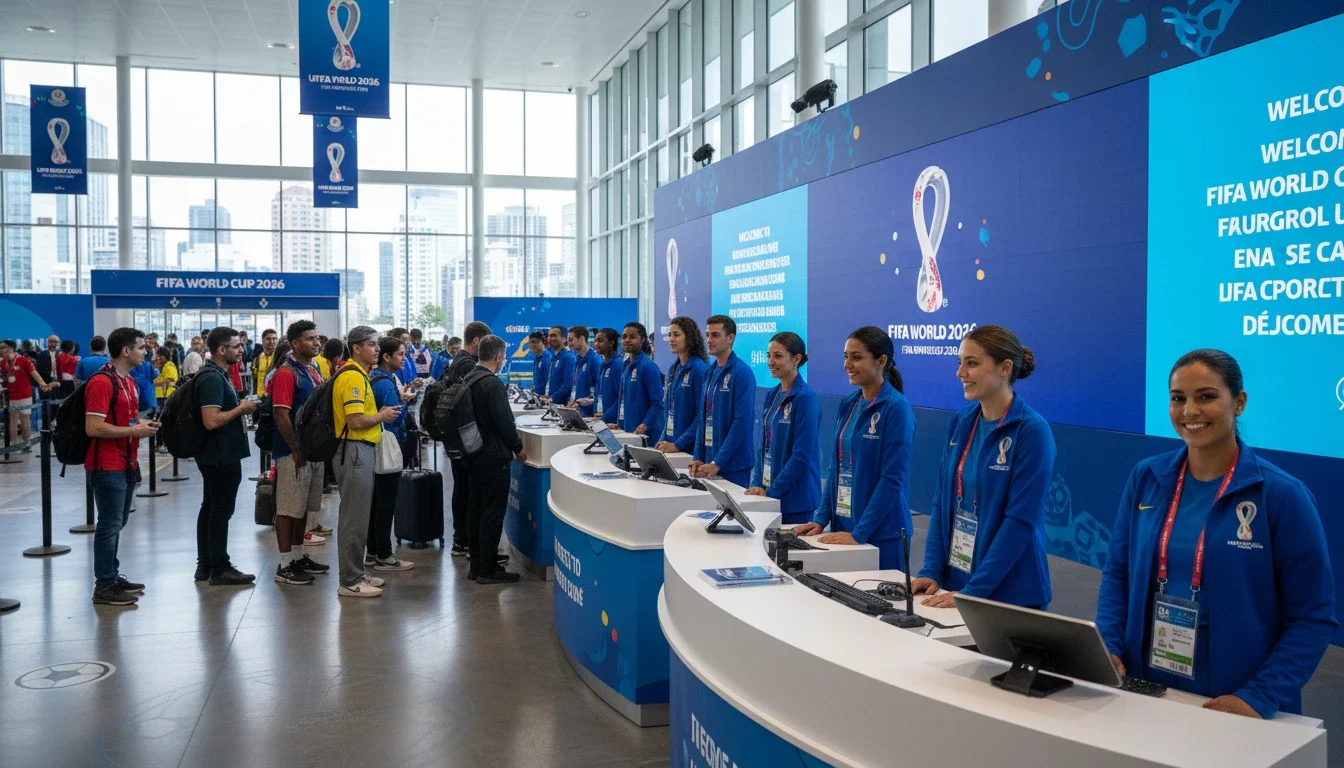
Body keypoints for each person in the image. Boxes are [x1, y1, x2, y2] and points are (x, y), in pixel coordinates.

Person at [1096, 349, 1336, 718]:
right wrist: (1109, 647)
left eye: (1206, 397)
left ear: (1238, 402)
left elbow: (1313, 616)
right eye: (1178, 399)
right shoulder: (1147, 478)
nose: (1190, 411)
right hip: (1147, 688)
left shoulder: (1281, 494)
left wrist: (1260, 695)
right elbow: (1118, 575)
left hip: (1236, 700)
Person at [912, 325, 1055, 610]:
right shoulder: (962, 421)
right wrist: (931, 570)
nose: (960, 373)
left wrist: (974, 590)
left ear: (1004, 367)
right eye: (960, 362)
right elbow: (943, 503)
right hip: (960, 583)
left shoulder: (1031, 431)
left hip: (1010, 595)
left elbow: (1020, 522)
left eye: (972, 363)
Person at [794, 327, 915, 570]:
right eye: (846, 356)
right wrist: (820, 519)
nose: (847, 364)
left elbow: (892, 479)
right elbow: (836, 467)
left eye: (856, 357)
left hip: (882, 534)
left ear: (881, 361)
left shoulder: (896, 408)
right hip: (845, 524)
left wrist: (860, 533)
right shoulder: (849, 402)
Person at [84, 328, 159, 606]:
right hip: (107, 465)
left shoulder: (127, 382)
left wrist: (138, 427)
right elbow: (93, 427)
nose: (145, 352)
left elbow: (124, 423)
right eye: (141, 347)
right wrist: (134, 431)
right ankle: (104, 584)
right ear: (125, 351)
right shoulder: (103, 382)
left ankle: (112, 575)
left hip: (127, 462)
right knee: (109, 525)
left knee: (119, 522)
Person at [332, 326, 402, 598]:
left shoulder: (361, 375)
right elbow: (355, 420)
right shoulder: (352, 378)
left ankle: (357, 572)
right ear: (357, 348)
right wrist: (382, 415)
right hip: (353, 450)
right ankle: (349, 580)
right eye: (371, 344)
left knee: (360, 517)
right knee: (354, 517)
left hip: (361, 449)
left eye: (376, 344)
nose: (376, 349)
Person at [195, 327, 260, 586]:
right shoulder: (212, 378)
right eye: (236, 346)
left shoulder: (217, 374)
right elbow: (211, 420)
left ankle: (207, 564)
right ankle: (219, 567)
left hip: (217, 453)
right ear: (222, 350)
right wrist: (242, 409)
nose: (241, 350)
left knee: (210, 507)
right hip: (219, 455)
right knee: (220, 510)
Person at [268, 321, 330, 586]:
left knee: (303, 508)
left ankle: (298, 555)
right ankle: (284, 565)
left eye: (317, 338)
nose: (316, 343)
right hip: (292, 452)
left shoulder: (313, 368)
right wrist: (295, 448)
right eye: (309, 339)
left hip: (311, 451)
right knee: (288, 509)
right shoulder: (286, 373)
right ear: (295, 343)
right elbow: (281, 413)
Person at [463, 335, 526, 584]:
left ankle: (476, 565)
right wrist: (518, 447)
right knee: (492, 512)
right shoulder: (491, 383)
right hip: (493, 456)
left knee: (475, 508)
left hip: (473, 453)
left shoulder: (469, 377)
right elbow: (504, 423)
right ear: (499, 357)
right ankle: (488, 569)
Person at [745, 332, 821, 525]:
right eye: (769, 356)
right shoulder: (773, 394)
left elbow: (801, 456)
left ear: (796, 359)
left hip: (796, 500)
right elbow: (764, 447)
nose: (771, 361)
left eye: (778, 356)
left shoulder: (806, 399)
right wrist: (757, 483)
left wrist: (772, 491)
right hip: (770, 493)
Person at [689, 316, 757, 487]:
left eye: (715, 335)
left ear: (730, 338)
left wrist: (718, 462)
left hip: (733, 465)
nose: (709, 340)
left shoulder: (742, 373)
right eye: (707, 335)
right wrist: (697, 456)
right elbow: (702, 419)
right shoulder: (709, 372)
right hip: (709, 461)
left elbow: (741, 423)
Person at [443, 321, 492, 558]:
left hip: (458, 436)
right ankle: (463, 541)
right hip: (465, 437)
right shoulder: (466, 364)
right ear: (476, 342)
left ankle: (462, 539)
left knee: (463, 487)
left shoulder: (459, 361)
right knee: (468, 489)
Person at [367, 336, 416, 572]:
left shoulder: (376, 379)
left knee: (376, 501)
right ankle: (384, 555)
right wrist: (404, 402)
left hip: (374, 445)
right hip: (387, 446)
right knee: (385, 503)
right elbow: (392, 416)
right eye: (400, 354)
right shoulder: (385, 383)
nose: (404, 359)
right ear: (386, 357)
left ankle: (373, 551)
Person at [654, 317, 709, 455]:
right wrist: (660, 442)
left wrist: (678, 445)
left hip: (689, 451)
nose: (671, 339)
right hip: (672, 447)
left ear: (689, 338)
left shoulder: (699, 369)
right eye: (670, 335)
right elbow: (669, 412)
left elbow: (701, 416)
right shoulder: (674, 369)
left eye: (676, 335)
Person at [609, 323, 663, 437]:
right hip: (629, 432)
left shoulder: (648, 366)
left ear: (642, 339)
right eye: (624, 337)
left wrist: (645, 424)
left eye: (632, 337)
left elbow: (658, 403)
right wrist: (620, 424)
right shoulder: (626, 366)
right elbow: (624, 400)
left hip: (646, 436)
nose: (627, 340)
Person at [0, 339, 55, 450]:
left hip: (24, 395)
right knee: (12, 420)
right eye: (0, 348)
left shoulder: (23, 360)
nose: (2, 350)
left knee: (24, 419)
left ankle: (26, 443)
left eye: (4, 347)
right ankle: (12, 444)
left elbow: (34, 373)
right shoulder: (2, 362)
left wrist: (43, 384)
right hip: (9, 395)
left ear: (11, 348)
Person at [567, 326, 602, 418]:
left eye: (571, 340)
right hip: (579, 412)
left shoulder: (595, 360)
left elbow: (600, 389)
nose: (569, 344)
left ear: (582, 339)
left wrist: (591, 401)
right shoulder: (577, 359)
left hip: (591, 415)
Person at [592, 328, 623, 423]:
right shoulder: (603, 365)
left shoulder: (618, 364)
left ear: (611, 343)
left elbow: (620, 398)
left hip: (613, 421)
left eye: (600, 341)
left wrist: (605, 417)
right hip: (601, 418)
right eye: (595, 341)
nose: (596, 344)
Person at [544, 325, 577, 406]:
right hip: (552, 404)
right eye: (549, 336)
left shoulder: (568, 357)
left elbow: (568, 385)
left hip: (562, 406)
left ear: (563, 339)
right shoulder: (553, 357)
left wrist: (552, 398)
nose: (551, 338)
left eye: (554, 336)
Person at [253, 329, 278, 397]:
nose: (272, 341)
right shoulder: (257, 360)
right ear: (263, 340)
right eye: (268, 339)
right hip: (260, 398)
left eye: (274, 339)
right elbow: (255, 380)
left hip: (275, 397)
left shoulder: (280, 359)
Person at [35, 335, 60, 400]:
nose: (52, 344)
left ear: (59, 343)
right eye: (50, 342)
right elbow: (38, 370)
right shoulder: (41, 354)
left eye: (55, 342)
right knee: (46, 405)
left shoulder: (61, 354)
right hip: (46, 383)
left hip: (59, 383)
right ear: (47, 343)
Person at [528, 331, 551, 395]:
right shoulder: (536, 358)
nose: (532, 345)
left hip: (545, 397)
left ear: (542, 342)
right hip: (537, 395)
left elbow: (548, 380)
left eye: (535, 342)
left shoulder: (548, 357)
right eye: (530, 342)